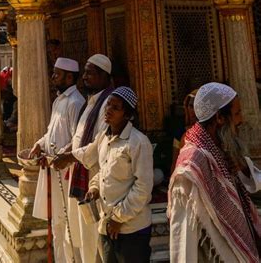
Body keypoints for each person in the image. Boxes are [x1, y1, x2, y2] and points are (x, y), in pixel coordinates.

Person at [56, 86, 154, 263]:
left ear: (128, 115)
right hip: (107, 225)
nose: (108, 110)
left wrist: (118, 218)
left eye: (115, 108)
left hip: (132, 229)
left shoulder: (138, 142)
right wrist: (94, 188)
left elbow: (143, 187)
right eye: (108, 105)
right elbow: (103, 171)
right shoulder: (103, 137)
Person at [169, 82, 261, 262]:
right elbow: (183, 237)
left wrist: (243, 167)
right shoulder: (191, 165)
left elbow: (251, 182)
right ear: (219, 118)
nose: (240, 120)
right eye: (236, 114)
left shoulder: (222, 151)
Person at [54, 54, 113, 263]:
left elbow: (98, 145)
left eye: (90, 73)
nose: (85, 77)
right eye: (85, 72)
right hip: (80, 173)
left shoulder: (108, 104)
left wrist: (70, 156)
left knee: (93, 237)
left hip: (94, 176)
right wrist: (67, 151)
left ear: (104, 76)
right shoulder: (91, 101)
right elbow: (79, 136)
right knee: (79, 234)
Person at [30, 57, 85, 262]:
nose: (53, 76)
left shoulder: (76, 102)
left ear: (69, 77)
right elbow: (51, 132)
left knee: (67, 221)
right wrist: (40, 144)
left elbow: (76, 140)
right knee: (56, 223)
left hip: (66, 170)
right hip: (53, 168)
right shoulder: (58, 101)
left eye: (57, 73)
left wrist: (58, 156)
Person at [170, 89, 198, 174]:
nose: (193, 110)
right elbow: (175, 161)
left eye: (196, 106)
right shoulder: (180, 131)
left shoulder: (210, 129)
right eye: (190, 106)